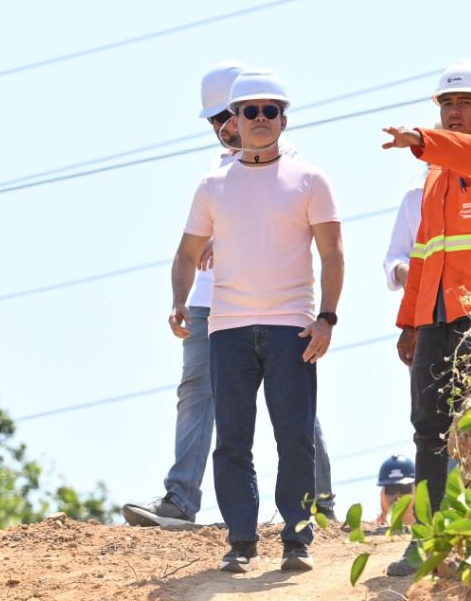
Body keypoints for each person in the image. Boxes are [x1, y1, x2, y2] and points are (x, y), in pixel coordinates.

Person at [124, 63, 337, 529]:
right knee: (196, 394)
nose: (225, 128)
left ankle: (318, 502)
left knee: (291, 409)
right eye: (216, 120)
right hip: (212, 305)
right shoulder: (215, 174)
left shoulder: (286, 155)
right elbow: (188, 248)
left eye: (229, 115)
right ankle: (180, 500)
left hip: (274, 306)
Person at [172, 69, 343, 573]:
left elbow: (333, 254)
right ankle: (241, 541)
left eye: (271, 111)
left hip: (292, 326)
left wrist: (327, 318)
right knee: (232, 439)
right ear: (235, 121)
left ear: (284, 120)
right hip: (228, 328)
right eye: (251, 111)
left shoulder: (310, 179)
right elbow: (186, 253)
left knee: (294, 436)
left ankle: (297, 538)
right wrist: (180, 302)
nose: (262, 119)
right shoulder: (212, 185)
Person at [384, 60, 471, 576]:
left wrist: (419, 138)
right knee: (428, 429)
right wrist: (410, 323)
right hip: (436, 320)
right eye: (447, 104)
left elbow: (467, 152)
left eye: (465, 102)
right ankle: (427, 539)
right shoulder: (434, 183)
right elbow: (424, 256)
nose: (454, 112)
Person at [372, 455, 416, 533]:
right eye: (391, 489)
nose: (398, 497)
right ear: (383, 493)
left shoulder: (433, 528)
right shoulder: (372, 529)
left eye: (404, 489)